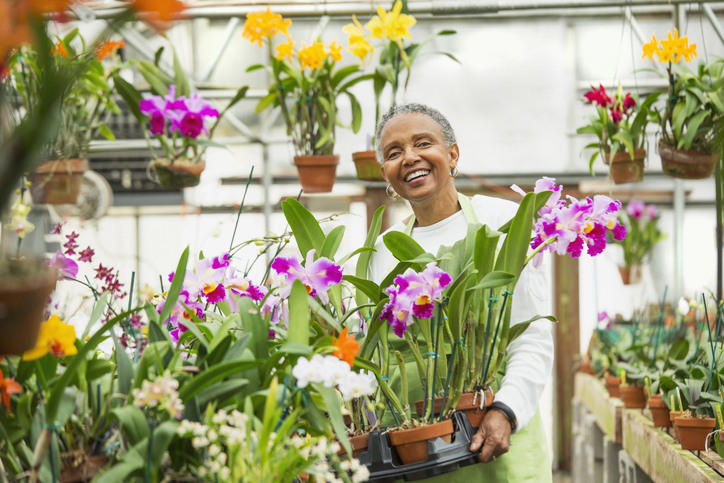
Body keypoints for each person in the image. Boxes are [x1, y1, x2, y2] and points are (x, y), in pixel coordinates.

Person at [367, 103, 554, 482]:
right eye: (394, 152)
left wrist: (508, 410)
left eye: (423, 143)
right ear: (385, 172)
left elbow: (531, 335)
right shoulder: (384, 251)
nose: (410, 158)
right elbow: (377, 356)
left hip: (493, 437)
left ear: (452, 154)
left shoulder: (500, 223)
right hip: (414, 447)